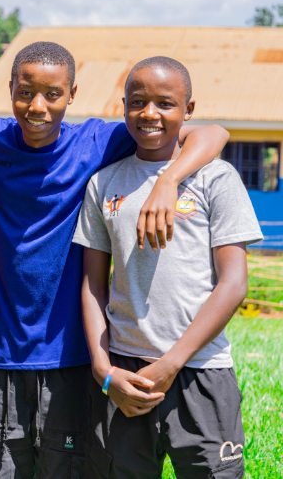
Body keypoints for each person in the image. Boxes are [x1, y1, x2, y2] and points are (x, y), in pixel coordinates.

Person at [0, 42, 231, 478]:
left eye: (52, 94)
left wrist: (168, 180)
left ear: (72, 94)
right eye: (25, 92)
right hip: (3, 351)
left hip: (73, 352)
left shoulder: (96, 141)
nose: (37, 106)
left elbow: (213, 133)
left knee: (69, 464)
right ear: (10, 87)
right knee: (1, 465)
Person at [74, 57, 261, 479]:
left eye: (165, 103)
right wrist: (104, 371)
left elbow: (233, 284)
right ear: (123, 106)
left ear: (189, 110)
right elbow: (92, 284)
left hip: (199, 371)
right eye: (137, 102)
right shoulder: (104, 184)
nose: (150, 114)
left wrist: (173, 361)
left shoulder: (217, 179)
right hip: (125, 372)